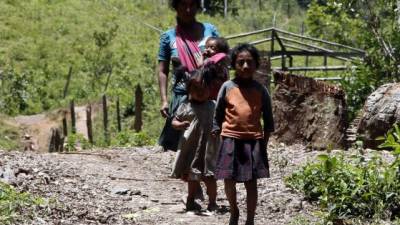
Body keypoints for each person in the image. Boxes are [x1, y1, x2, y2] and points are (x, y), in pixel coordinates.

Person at [212, 43, 274, 225]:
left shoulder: (261, 90)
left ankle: (250, 219)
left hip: (253, 142)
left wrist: (263, 144)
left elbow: (269, 121)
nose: (245, 66)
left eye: (249, 62)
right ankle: (234, 212)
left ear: (256, 65)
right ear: (233, 65)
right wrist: (217, 131)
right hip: (230, 139)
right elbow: (218, 113)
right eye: (241, 62)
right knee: (229, 180)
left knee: (251, 182)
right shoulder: (227, 87)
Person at [158, 0, 219, 152]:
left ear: (198, 7)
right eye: (183, 4)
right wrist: (164, 100)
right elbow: (162, 70)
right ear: (176, 7)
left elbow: (222, 59)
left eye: (192, 4)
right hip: (182, 99)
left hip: (208, 95)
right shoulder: (168, 37)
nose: (188, 9)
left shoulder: (209, 31)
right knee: (183, 146)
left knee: (207, 146)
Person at [170, 69, 218, 211]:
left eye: (204, 88)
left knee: (210, 178)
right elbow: (174, 121)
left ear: (210, 88)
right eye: (196, 89)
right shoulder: (186, 106)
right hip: (191, 148)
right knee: (192, 176)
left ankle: (212, 202)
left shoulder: (213, 106)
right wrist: (179, 125)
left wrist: (218, 129)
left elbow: (222, 121)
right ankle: (190, 200)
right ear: (189, 89)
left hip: (209, 149)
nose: (200, 92)